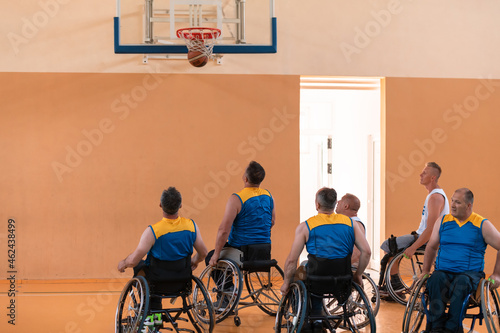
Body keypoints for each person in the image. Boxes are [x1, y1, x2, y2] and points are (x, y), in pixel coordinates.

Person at [281, 187, 371, 333]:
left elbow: (292, 260)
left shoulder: (306, 226)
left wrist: (286, 283)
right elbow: (366, 252)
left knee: (302, 272)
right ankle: (318, 319)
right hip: (343, 278)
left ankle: (307, 318)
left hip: (316, 279)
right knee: (313, 272)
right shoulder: (351, 224)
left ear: (317, 204)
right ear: (335, 204)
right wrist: (358, 274)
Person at [117, 187, 208, 328]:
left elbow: (134, 260)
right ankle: (154, 318)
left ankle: (152, 319)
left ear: (161, 205)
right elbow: (203, 253)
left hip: (157, 282)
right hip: (182, 281)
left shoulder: (153, 231)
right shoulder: (191, 226)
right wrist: (194, 261)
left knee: (139, 267)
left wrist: (123, 263)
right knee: (151, 270)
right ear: (180, 205)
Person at [422, 188, 500, 333]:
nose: (452, 205)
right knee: (436, 279)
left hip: (469, 275)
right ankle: (436, 328)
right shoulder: (443, 221)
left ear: (468, 205)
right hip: (444, 272)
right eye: (452, 200)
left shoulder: (481, 224)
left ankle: (453, 328)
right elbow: (431, 247)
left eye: (457, 202)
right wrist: (425, 271)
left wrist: (497, 275)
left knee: (462, 282)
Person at [379, 162, 449, 292]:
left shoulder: (435, 197)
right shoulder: (434, 195)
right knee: (392, 247)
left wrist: (413, 247)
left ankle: (396, 287)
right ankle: (395, 286)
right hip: (423, 235)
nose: (420, 174)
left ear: (433, 177)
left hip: (428, 238)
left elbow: (431, 229)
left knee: (388, 245)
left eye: (424, 172)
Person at [208, 161, 275, 266]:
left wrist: (216, 254)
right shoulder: (269, 196)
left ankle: (228, 283)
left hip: (241, 250)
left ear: (246, 178)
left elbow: (224, 231)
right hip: (264, 249)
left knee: (210, 256)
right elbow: (272, 221)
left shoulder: (237, 199)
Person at [335, 193, 365, 265]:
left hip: (349, 267)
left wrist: (338, 266)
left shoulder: (356, 224)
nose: (338, 202)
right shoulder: (347, 223)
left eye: (341, 200)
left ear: (346, 206)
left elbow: (357, 254)